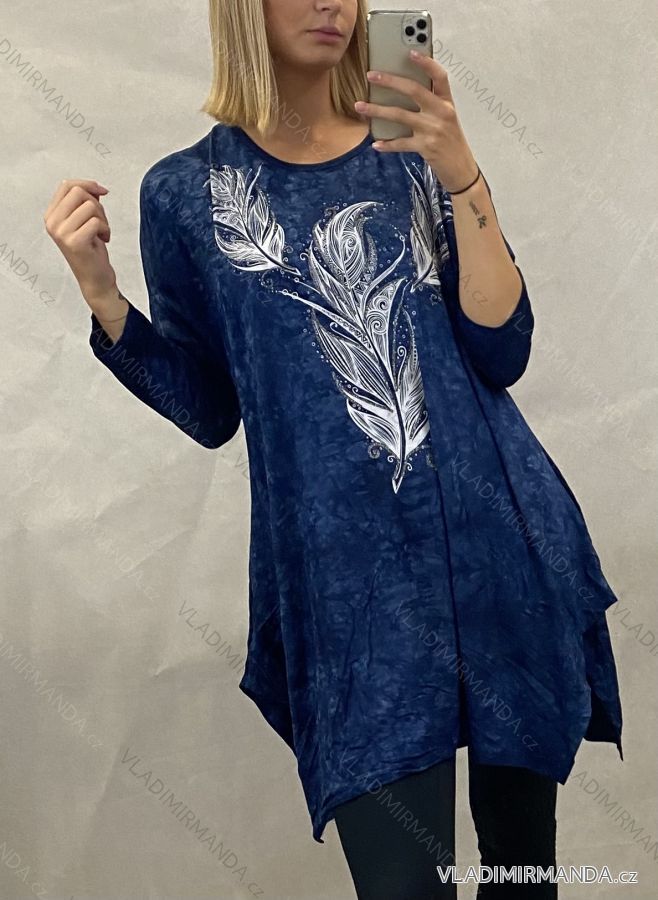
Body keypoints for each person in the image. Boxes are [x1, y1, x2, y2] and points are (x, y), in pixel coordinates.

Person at [43, 1, 623, 897]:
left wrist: (463, 176)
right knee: (404, 886)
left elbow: (502, 350)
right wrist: (104, 300)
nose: (331, 5)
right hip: (354, 594)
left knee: (523, 878)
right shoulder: (185, 192)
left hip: (497, 553)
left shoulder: (413, 151)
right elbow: (211, 409)